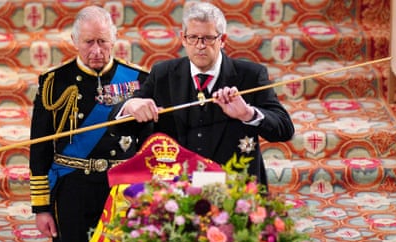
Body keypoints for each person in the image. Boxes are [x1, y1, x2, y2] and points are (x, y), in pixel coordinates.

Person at [121, 2, 294, 190]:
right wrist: (130, 106)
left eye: (208, 38)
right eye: (193, 38)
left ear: (223, 39)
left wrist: (248, 114)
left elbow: (285, 129)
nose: (200, 46)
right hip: (176, 190)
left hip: (235, 191)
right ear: (183, 38)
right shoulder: (162, 74)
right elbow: (124, 124)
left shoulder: (251, 75)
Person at [28, 5, 150, 242]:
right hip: (73, 187)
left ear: (114, 39)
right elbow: (39, 149)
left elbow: (150, 145)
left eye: (103, 41)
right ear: (74, 41)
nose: (96, 50)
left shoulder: (139, 80)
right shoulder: (54, 82)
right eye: (88, 42)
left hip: (122, 188)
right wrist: (42, 208)